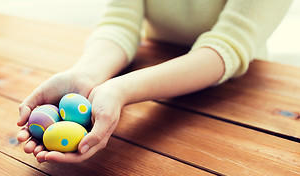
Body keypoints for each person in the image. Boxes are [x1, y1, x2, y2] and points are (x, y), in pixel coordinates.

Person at [17, 0, 293, 163]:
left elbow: (228, 46)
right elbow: (120, 23)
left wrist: (119, 88)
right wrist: (85, 75)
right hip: (153, 70)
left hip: (239, 100)